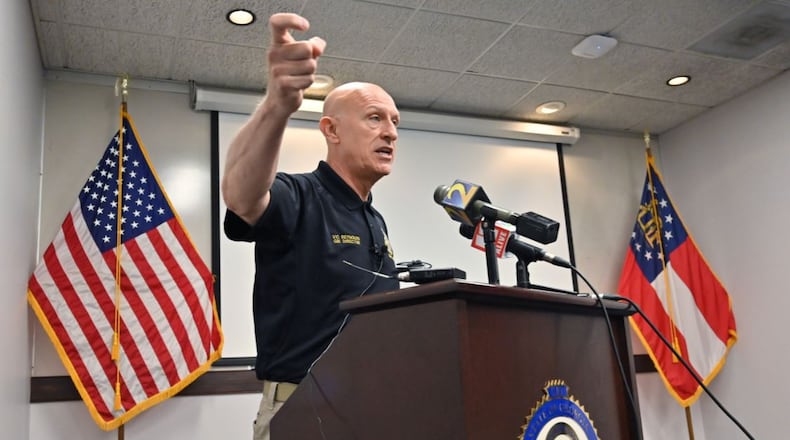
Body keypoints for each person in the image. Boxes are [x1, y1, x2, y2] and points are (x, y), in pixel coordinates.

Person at [221, 12, 401, 440]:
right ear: (331, 130)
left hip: (375, 404)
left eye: (395, 121)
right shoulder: (298, 196)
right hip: (304, 406)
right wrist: (276, 106)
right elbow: (242, 196)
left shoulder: (374, 218)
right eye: (375, 118)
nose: (391, 132)